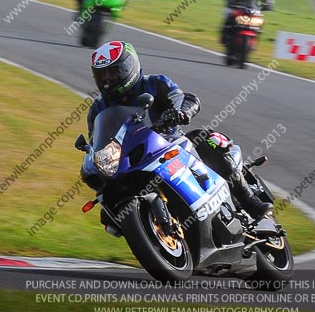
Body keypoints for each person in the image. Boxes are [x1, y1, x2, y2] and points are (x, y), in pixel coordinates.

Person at [81, 40, 272, 219]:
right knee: (108, 209)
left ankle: (249, 201)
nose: (107, 79)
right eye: (102, 75)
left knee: (204, 138)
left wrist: (181, 112)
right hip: (132, 162)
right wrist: (93, 164)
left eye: (113, 72)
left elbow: (184, 98)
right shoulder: (98, 108)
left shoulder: (155, 83)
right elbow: (98, 143)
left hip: (171, 145)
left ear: (128, 68)